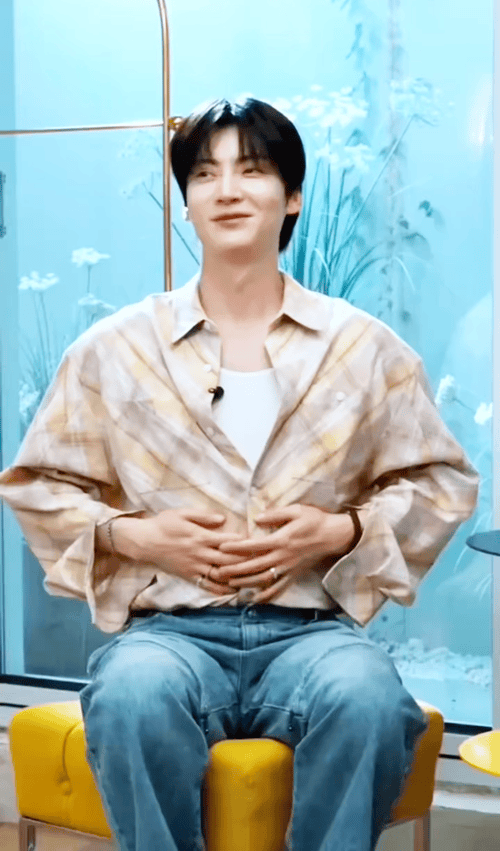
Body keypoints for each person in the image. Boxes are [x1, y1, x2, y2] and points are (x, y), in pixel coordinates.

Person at [0, 98, 479, 851]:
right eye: (204, 174)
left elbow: (443, 482)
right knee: (130, 696)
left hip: (312, 632)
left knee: (367, 698)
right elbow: (37, 484)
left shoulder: (362, 347)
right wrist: (136, 537)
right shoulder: (114, 349)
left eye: (252, 171)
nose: (226, 190)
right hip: (168, 634)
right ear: (186, 202)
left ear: (292, 197)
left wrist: (343, 530)